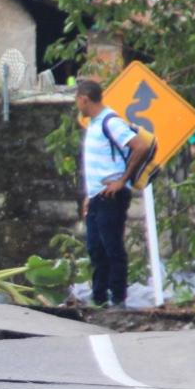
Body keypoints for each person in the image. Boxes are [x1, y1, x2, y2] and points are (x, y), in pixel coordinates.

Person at [75, 79, 150, 308]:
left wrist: (122, 180)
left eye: (77, 101)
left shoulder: (110, 121)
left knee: (112, 247)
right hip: (97, 196)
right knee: (95, 248)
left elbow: (140, 146)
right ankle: (99, 297)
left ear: (84, 99)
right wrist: (89, 195)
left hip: (111, 196)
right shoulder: (94, 124)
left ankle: (118, 297)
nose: (77, 106)